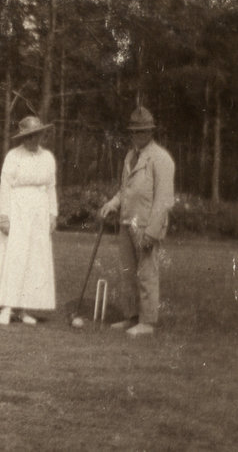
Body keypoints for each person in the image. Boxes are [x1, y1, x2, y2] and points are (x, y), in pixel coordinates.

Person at [99, 106, 175, 337]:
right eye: (134, 131)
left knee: (147, 273)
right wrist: (113, 203)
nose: (137, 135)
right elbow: (126, 189)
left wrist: (152, 231)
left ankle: (147, 321)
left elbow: (164, 199)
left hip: (145, 225)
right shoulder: (130, 156)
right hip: (127, 222)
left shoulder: (161, 159)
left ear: (151, 132)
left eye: (142, 131)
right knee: (128, 273)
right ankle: (131, 316)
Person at [0, 116, 58, 326]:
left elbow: (51, 187)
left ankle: (23, 308)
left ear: (41, 135)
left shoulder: (48, 157)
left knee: (34, 259)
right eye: (29, 136)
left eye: (36, 135)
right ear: (23, 137)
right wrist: (4, 216)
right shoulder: (13, 156)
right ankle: (6, 308)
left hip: (39, 213)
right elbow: (5, 187)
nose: (33, 140)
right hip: (17, 210)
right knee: (14, 257)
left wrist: (52, 214)